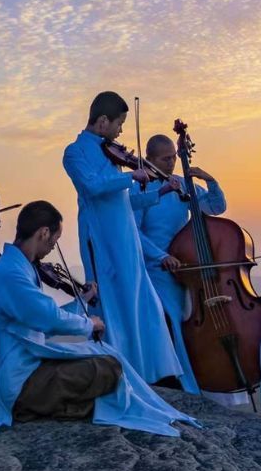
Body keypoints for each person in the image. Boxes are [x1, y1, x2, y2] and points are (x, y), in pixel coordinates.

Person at [0, 201, 197, 435]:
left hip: (20, 369)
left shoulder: (14, 268)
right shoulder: (10, 273)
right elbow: (49, 318)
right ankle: (36, 407)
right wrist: (90, 324)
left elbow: (42, 322)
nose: (52, 248)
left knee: (105, 358)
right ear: (43, 233)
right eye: (54, 240)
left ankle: (64, 405)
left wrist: (82, 301)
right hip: (15, 383)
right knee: (108, 368)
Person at [62, 93, 192, 391]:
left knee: (142, 303)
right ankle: (117, 372)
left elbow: (126, 202)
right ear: (103, 120)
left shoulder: (111, 153)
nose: (121, 131)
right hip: (103, 239)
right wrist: (130, 175)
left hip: (126, 238)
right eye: (119, 123)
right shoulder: (74, 153)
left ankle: (154, 372)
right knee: (112, 305)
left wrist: (157, 193)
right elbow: (93, 187)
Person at [133, 133, 226, 395]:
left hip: (184, 270)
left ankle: (196, 381)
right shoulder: (141, 189)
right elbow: (134, 233)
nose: (172, 162)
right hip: (156, 270)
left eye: (174, 156)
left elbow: (216, 207)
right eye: (165, 159)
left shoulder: (183, 185)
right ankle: (174, 382)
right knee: (169, 323)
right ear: (149, 159)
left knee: (187, 324)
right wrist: (161, 256)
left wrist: (209, 180)